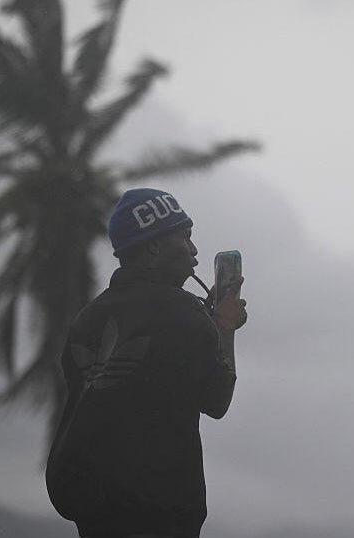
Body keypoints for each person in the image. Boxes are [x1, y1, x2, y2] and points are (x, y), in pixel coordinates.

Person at [46, 188, 247, 538]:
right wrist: (224, 327)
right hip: (158, 515)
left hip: (90, 507)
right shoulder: (184, 312)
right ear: (154, 246)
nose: (195, 251)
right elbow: (217, 400)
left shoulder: (87, 319)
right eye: (185, 237)